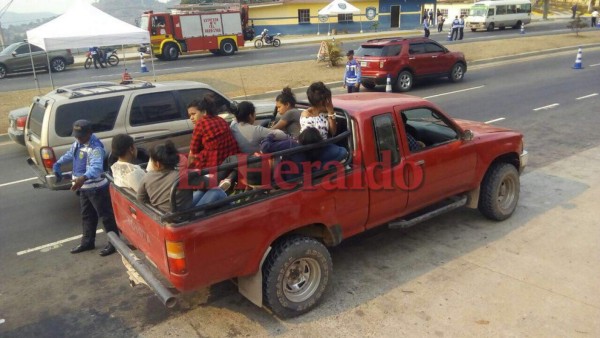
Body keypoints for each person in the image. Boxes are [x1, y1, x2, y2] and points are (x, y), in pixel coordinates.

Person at [52, 120, 118, 256]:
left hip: (96, 188)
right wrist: (58, 163)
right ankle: (88, 242)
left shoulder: (96, 148)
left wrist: (83, 178)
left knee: (106, 217)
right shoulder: (78, 142)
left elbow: (96, 168)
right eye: (76, 135)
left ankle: (114, 244)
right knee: (87, 216)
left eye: (80, 136)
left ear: (89, 133)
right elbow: (71, 154)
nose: (77, 138)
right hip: (84, 188)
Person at [137, 140, 226, 213]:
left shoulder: (147, 177)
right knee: (217, 191)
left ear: (157, 164)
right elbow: (213, 183)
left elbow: (141, 199)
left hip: (163, 216)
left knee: (201, 192)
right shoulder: (184, 175)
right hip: (184, 218)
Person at [187, 94, 239, 174]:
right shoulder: (220, 119)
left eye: (193, 114)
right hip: (231, 158)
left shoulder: (201, 123)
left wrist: (188, 167)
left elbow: (194, 150)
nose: (191, 118)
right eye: (190, 115)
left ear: (204, 112)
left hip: (214, 162)